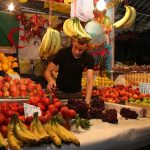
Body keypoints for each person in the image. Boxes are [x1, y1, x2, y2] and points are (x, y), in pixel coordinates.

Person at [44, 38, 95, 105]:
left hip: (76, 95)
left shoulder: (89, 58)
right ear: (73, 42)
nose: (77, 52)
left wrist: (87, 101)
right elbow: (47, 71)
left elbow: (90, 81)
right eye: (75, 47)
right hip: (59, 92)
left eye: (81, 50)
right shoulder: (62, 53)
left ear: (86, 47)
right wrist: (50, 80)